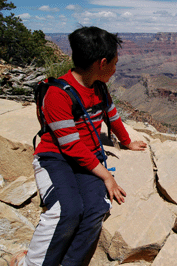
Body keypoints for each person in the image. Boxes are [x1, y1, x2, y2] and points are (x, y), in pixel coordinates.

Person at [11, 26, 147, 266]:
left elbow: (112, 115)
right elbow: (71, 145)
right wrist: (107, 177)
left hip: (87, 160)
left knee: (97, 207)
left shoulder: (99, 88)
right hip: (55, 159)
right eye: (114, 64)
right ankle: (27, 263)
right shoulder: (57, 94)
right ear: (101, 63)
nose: (116, 70)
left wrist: (126, 142)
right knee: (66, 210)